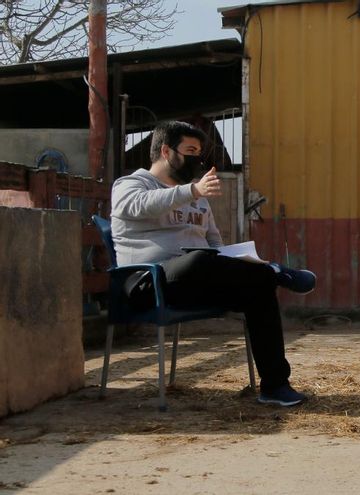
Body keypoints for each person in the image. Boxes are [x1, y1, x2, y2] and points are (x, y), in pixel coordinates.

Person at [111, 121, 316, 407]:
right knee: (198, 258)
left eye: (200, 151)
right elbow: (137, 205)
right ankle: (274, 271)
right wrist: (192, 192)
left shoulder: (198, 200)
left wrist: (246, 262)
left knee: (257, 287)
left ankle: (275, 385)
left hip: (194, 281)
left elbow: (216, 246)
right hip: (147, 283)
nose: (198, 158)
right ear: (166, 151)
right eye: (191, 150)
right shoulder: (132, 184)